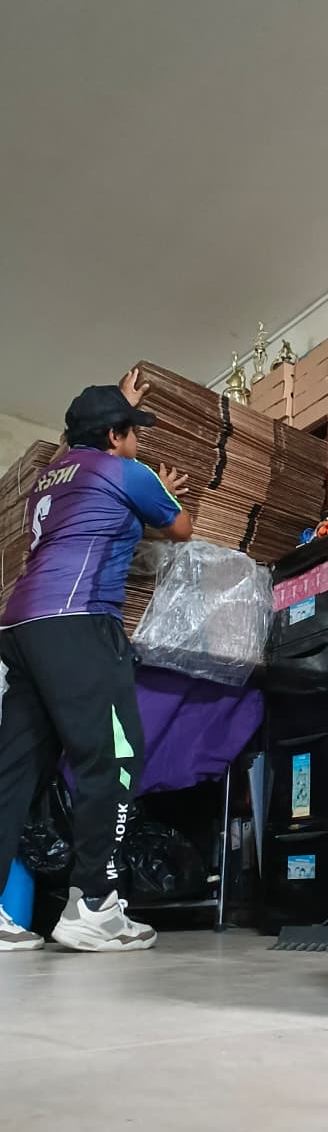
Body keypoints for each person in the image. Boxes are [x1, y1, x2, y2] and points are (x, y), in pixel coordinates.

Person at [0, 369, 192, 951]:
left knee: (14, 772)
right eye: (133, 431)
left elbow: (79, 454)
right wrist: (160, 486)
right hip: (78, 621)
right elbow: (180, 527)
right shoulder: (127, 472)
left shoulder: (48, 479)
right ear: (115, 436)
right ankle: (93, 905)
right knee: (114, 754)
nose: (139, 440)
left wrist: (116, 406)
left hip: (20, 625)